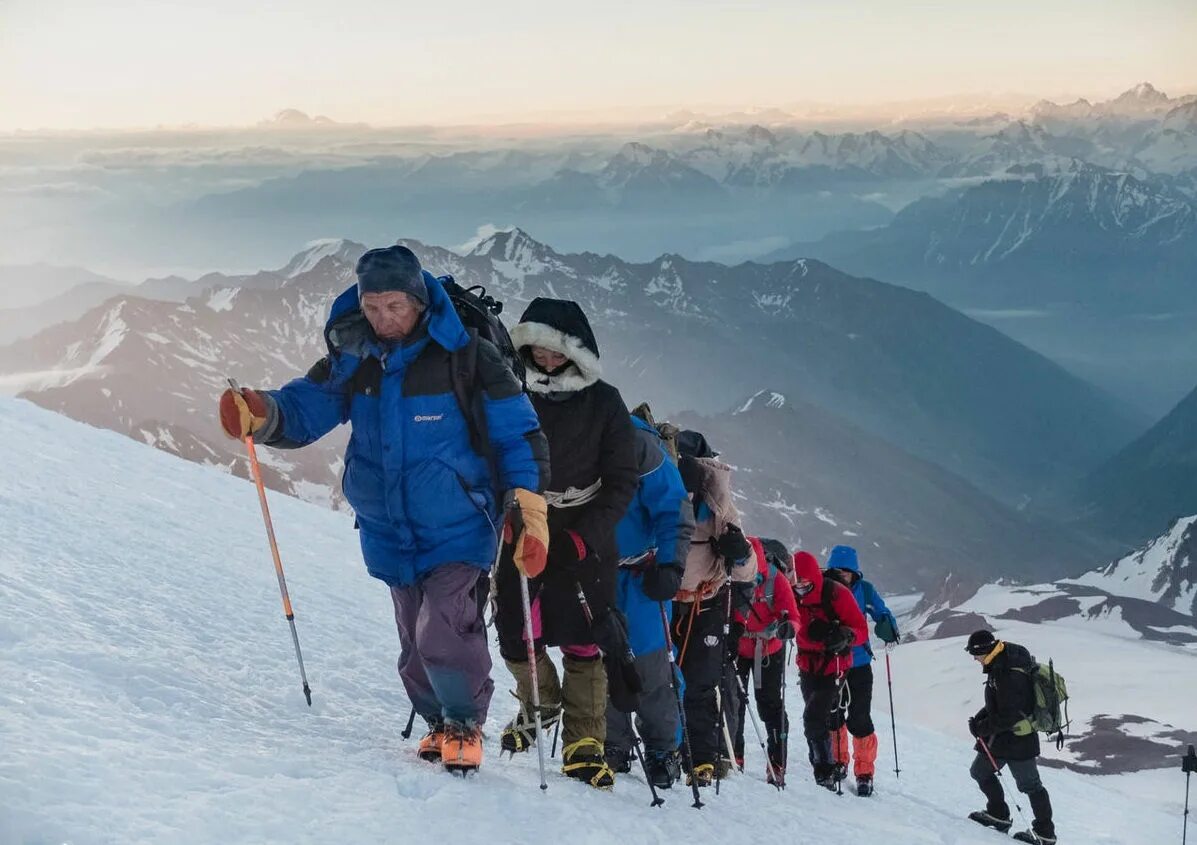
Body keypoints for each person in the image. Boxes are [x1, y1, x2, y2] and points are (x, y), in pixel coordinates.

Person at [217, 245, 549, 774]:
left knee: (442, 628)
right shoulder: (356, 355)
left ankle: (465, 723)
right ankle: (438, 722)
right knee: (413, 640)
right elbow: (310, 405)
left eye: (395, 306)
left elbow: (518, 433)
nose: (383, 319)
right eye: (373, 307)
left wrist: (529, 511)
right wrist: (265, 414)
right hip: (389, 528)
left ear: (418, 300)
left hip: (461, 523)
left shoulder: (466, 357)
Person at [493, 297, 639, 789]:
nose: (547, 360)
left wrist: (583, 539)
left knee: (585, 638)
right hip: (522, 525)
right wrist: (507, 516)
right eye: (537, 350)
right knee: (517, 630)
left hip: (584, 533)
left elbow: (622, 481)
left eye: (558, 353)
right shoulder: (511, 391)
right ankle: (541, 704)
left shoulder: (605, 401)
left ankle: (584, 743)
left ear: (578, 353)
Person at [603, 407, 695, 789]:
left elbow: (673, 509)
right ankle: (612, 741)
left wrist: (672, 566)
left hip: (644, 574)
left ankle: (662, 749)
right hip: (598, 570)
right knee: (599, 659)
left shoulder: (639, 444)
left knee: (650, 666)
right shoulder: (575, 436)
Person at [671, 430, 755, 787]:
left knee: (689, 683)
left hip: (679, 602)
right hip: (702, 603)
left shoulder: (714, 509)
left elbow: (746, 566)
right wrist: (739, 553)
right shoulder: (720, 507)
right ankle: (696, 758)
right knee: (696, 684)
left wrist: (739, 552)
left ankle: (692, 755)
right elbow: (747, 571)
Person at [965, 630, 1057, 844]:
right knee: (979, 772)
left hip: (1018, 741)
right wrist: (980, 720)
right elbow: (999, 704)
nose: (974, 659)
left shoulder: (1008, 673)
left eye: (974, 654)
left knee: (1031, 785)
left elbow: (1010, 715)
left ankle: (1045, 833)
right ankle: (998, 815)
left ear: (984, 651)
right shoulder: (1000, 663)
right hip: (1001, 740)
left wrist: (982, 728)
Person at [824, 544, 900, 796]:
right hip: (832, 662)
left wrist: (888, 624)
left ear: (855, 572)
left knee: (859, 718)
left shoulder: (864, 590)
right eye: (838, 570)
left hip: (858, 663)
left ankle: (864, 772)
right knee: (833, 715)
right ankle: (839, 761)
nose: (842, 574)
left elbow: (882, 611)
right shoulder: (825, 588)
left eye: (847, 571)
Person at [790, 549, 868, 790]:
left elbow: (861, 630)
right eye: (797, 582)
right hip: (807, 664)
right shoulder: (793, 594)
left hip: (834, 663)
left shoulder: (836, 594)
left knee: (814, 715)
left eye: (805, 582)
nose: (801, 586)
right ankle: (825, 763)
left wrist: (846, 635)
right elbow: (787, 621)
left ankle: (823, 769)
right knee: (815, 716)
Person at [731, 536, 800, 786]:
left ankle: (774, 761)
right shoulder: (741, 575)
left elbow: (793, 616)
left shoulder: (775, 580)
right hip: (747, 647)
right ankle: (737, 755)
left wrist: (787, 628)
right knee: (734, 702)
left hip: (766, 649)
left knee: (767, 704)